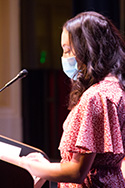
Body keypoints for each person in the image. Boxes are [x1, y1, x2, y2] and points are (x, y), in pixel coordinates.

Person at [1, 11, 125, 188]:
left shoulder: (95, 96)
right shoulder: (117, 88)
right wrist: (47, 166)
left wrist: (26, 165)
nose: (64, 57)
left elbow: (76, 172)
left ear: (89, 48)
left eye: (67, 50)